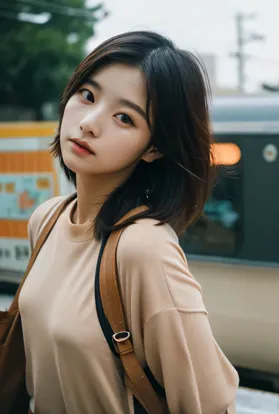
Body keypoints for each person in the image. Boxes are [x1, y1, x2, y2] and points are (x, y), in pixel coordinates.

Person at [17, 32, 239, 413]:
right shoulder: (48, 219)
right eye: (87, 95)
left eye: (124, 117)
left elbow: (209, 403)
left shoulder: (144, 248)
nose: (88, 123)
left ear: (154, 148)